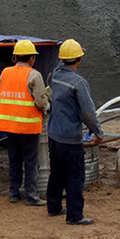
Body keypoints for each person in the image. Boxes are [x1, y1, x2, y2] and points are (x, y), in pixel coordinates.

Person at [46, 39, 104, 226]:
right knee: (75, 176)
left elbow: (59, 65)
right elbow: (88, 113)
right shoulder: (79, 83)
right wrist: (98, 133)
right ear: (79, 60)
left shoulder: (55, 76)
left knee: (56, 173)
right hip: (70, 139)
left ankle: (53, 207)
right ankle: (75, 215)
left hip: (54, 135)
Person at [0, 39, 50, 206]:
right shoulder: (34, 75)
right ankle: (32, 196)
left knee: (14, 160)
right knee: (31, 162)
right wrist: (48, 107)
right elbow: (40, 101)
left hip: (10, 126)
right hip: (28, 126)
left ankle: (14, 193)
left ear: (15, 57)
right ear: (32, 58)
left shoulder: (5, 72)